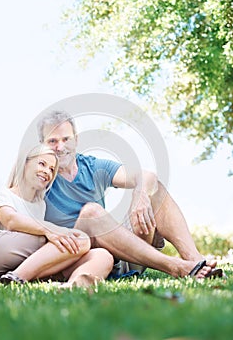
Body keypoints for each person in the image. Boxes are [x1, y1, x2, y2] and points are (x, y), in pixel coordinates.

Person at [36, 110, 223, 279]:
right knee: (91, 213)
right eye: (52, 141)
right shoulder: (38, 175)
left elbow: (146, 175)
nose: (60, 147)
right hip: (84, 259)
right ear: (42, 144)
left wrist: (139, 196)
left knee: (153, 189)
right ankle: (175, 267)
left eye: (66, 139)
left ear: (76, 139)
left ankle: (196, 261)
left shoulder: (91, 166)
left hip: (125, 255)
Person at [0, 144, 114, 287]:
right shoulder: (0, 188)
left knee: (103, 255)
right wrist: (50, 230)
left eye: (51, 169)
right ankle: (15, 278)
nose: (47, 172)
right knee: (80, 239)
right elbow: (11, 220)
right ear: (25, 163)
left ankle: (72, 285)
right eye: (42, 164)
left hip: (15, 264)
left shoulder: (41, 206)